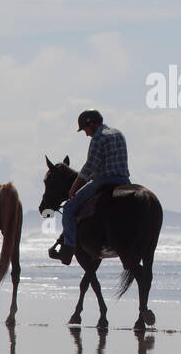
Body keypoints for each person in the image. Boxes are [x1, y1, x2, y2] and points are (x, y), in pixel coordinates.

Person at [49, 110, 130, 265]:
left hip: (105, 181)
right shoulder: (118, 133)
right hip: (124, 180)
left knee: (69, 208)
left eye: (85, 130)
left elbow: (89, 167)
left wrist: (73, 189)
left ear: (91, 124)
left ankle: (68, 249)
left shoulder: (98, 137)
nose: (86, 134)